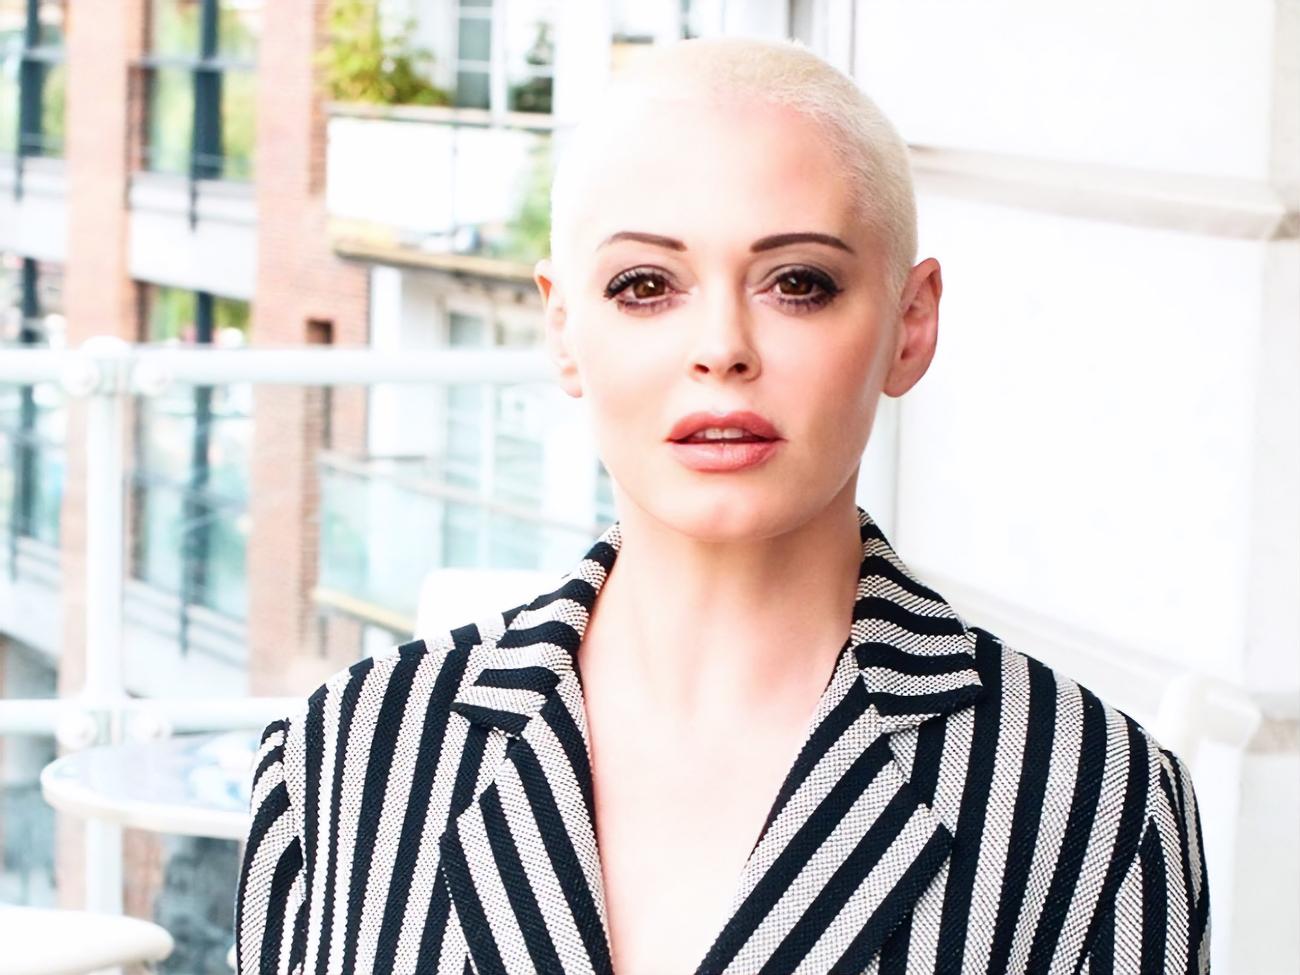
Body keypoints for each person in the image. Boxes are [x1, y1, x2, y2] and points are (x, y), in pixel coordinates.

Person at [234, 36, 1209, 975]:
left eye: (798, 283)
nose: (722, 348)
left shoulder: (1094, 800)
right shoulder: (345, 756)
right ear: (563, 328)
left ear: (911, 324)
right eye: (645, 285)